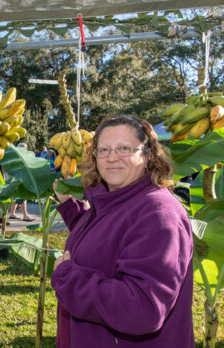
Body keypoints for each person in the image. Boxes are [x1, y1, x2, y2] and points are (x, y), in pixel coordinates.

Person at [51, 115, 194, 347]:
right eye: (103, 150)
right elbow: (105, 237)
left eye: (124, 148)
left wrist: (69, 278)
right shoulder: (115, 200)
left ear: (148, 154)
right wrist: (70, 207)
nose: (112, 158)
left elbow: (143, 309)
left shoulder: (157, 213)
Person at [9, 143, 34, 222]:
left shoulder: (14, 156)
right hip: (20, 179)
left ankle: (12, 213)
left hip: (18, 178)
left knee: (18, 197)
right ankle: (25, 215)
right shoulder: (19, 157)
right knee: (23, 197)